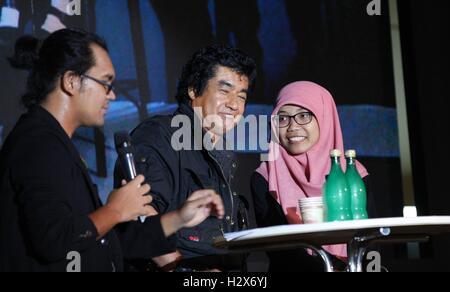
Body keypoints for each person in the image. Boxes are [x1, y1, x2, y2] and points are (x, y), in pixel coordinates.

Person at [0, 29, 224, 272]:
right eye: (106, 83)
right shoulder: (38, 144)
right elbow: (54, 239)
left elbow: (107, 240)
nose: (113, 95)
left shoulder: (56, 142)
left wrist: (178, 218)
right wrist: (114, 210)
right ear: (71, 81)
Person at [115, 44, 257, 271]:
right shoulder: (159, 136)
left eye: (241, 96)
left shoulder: (220, 149)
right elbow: (140, 215)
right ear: (193, 90)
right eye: (224, 90)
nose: (234, 104)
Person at [251, 81, 376, 271]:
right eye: (282, 119)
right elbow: (279, 249)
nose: (292, 127)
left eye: (303, 116)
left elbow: (371, 241)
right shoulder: (265, 178)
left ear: (325, 118)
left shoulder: (353, 174)